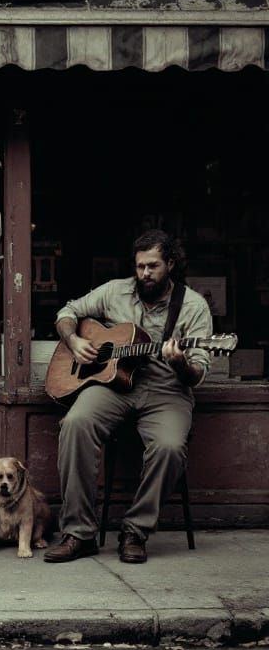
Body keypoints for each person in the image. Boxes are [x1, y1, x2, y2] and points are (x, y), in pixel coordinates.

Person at [44, 229, 212, 564]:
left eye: (153, 266)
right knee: (76, 423)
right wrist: (73, 342)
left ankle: (135, 531)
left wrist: (180, 363)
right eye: (140, 267)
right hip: (114, 386)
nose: (145, 274)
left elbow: (198, 373)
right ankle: (79, 533)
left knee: (170, 448)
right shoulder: (114, 291)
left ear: (171, 264)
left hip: (167, 390)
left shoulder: (193, 306)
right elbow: (68, 312)